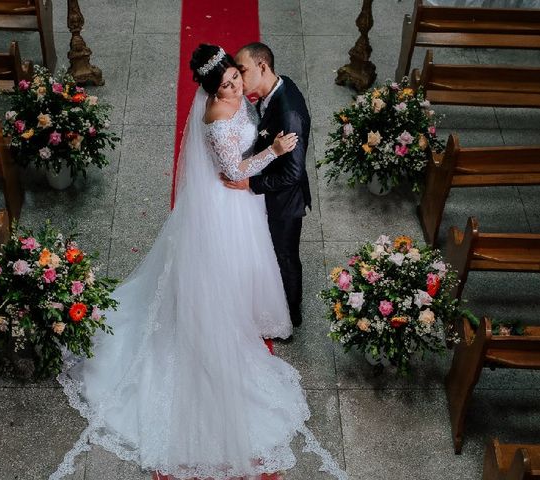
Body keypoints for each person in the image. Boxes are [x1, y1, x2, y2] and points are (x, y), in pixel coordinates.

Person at [50, 44, 345, 480]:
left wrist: (269, 145)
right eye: (226, 82)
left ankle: (249, 307)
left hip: (241, 204)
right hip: (229, 204)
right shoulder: (217, 118)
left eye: (235, 77)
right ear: (210, 88)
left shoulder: (241, 101)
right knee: (226, 266)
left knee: (257, 260)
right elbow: (234, 173)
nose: (234, 86)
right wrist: (276, 149)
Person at [223, 42, 311, 329]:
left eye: (243, 70)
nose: (238, 76)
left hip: (285, 201)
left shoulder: (289, 114)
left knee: (285, 256)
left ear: (262, 66)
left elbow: (294, 173)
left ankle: (291, 314)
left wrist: (251, 182)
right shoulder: (274, 89)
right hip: (270, 186)